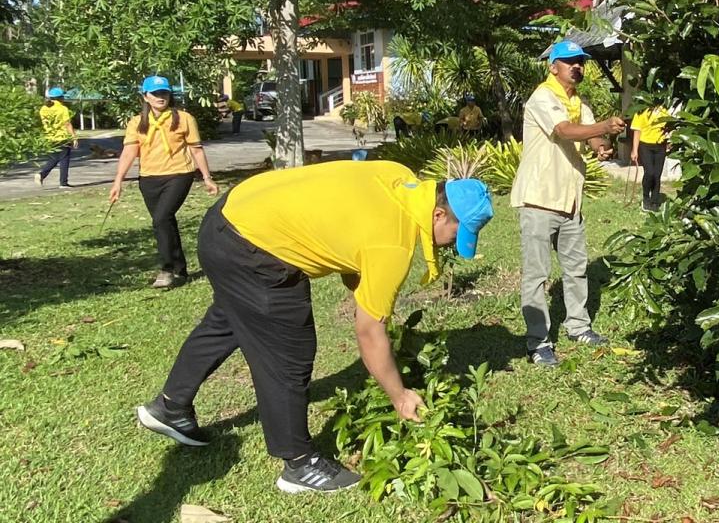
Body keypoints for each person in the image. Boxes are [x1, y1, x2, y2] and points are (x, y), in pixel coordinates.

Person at [134, 162, 494, 494]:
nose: (452, 243)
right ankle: (299, 464)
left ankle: (170, 407)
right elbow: (368, 331)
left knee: (231, 317)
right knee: (289, 351)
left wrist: (372, 297)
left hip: (230, 216)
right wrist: (400, 396)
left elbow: (351, 235)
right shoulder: (393, 243)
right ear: (438, 213)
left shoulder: (400, 177)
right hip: (253, 245)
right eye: (457, 232)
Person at [510, 40, 626, 367]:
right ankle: (539, 342)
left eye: (581, 62)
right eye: (570, 61)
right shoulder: (542, 98)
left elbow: (588, 134)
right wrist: (602, 126)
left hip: (569, 200)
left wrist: (603, 144)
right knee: (537, 275)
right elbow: (564, 130)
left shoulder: (577, 102)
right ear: (553, 66)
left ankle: (578, 326)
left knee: (576, 269)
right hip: (539, 199)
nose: (577, 66)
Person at [109, 76, 219, 289]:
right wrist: (118, 181)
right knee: (164, 223)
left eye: (164, 93)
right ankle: (180, 269)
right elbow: (130, 151)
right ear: (146, 97)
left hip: (179, 174)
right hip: (149, 178)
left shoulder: (185, 118)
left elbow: (196, 149)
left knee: (161, 218)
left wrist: (207, 178)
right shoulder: (136, 122)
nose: (161, 97)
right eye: (156, 94)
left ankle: (167, 269)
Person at [629, 103, 671, 212]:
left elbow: (668, 128)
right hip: (645, 145)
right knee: (650, 172)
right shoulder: (641, 111)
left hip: (660, 146)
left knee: (657, 174)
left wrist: (669, 142)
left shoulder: (664, 110)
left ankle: (655, 201)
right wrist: (634, 150)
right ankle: (646, 198)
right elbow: (637, 132)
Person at [35, 87, 76, 189]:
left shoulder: (44, 108)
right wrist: (74, 137)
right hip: (62, 137)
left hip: (50, 136)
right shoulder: (62, 109)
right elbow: (67, 124)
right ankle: (63, 182)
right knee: (64, 159)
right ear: (60, 98)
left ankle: (42, 175)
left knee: (54, 158)